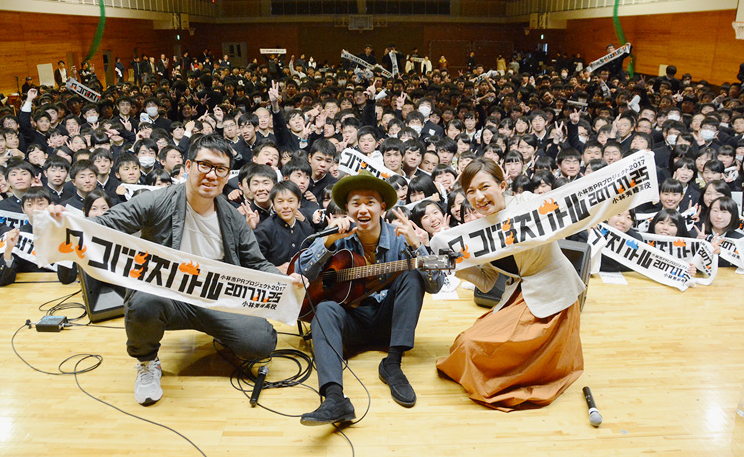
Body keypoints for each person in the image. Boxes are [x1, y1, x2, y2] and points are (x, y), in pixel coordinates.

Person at [46, 134, 304, 406]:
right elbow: (108, 223)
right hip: (168, 296)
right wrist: (66, 222)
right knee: (143, 301)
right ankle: (147, 362)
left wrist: (286, 281)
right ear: (189, 166)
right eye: (205, 165)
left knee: (261, 344)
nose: (211, 175)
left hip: (216, 298)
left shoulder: (232, 217)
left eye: (220, 169)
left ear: (227, 175)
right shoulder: (157, 201)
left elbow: (256, 262)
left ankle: (221, 331)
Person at [295, 170, 444, 425]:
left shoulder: (400, 238)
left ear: (382, 208)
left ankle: (392, 364)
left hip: (389, 324)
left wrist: (418, 246)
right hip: (351, 324)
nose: (363, 209)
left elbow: (436, 285)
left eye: (370, 202)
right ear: (347, 210)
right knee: (325, 309)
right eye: (356, 203)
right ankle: (334, 397)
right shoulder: (338, 237)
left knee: (412, 275)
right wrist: (328, 241)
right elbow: (300, 272)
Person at [436, 159, 585, 411]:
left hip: (552, 297)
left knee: (473, 346)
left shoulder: (526, 201)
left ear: (503, 185)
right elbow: (486, 282)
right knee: (463, 343)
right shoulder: (477, 233)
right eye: (471, 191)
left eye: (485, 187)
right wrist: (457, 264)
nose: (478, 197)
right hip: (519, 294)